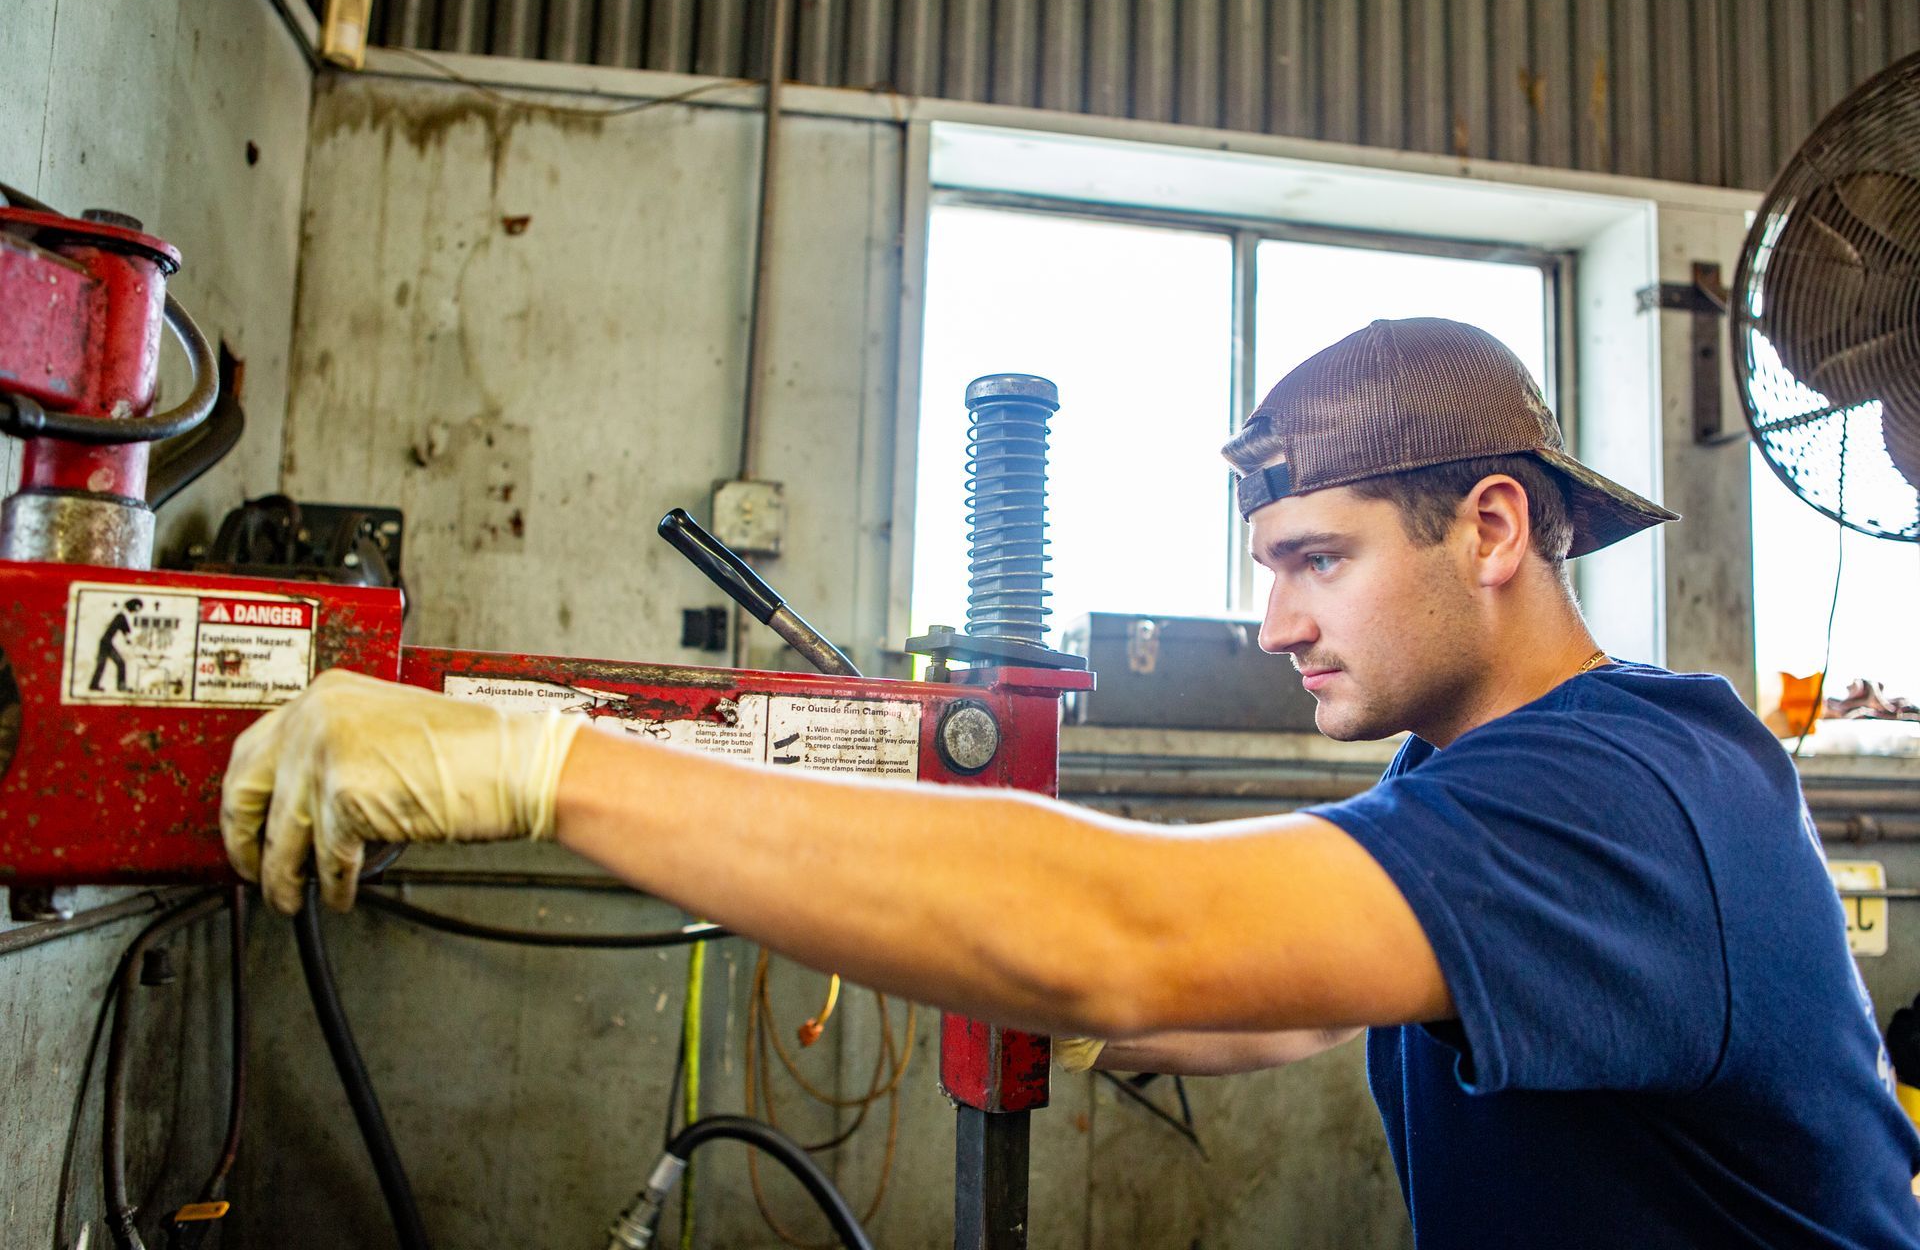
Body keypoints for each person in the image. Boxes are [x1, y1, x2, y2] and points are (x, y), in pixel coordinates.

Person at [222, 318, 1920, 1247]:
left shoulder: (1637, 783)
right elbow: (1267, 1004)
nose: (1273, 624)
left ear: (1488, 526)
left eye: (1314, 560)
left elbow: (1139, 929)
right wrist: (932, 929)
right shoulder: (1470, 784)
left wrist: (537, 769)